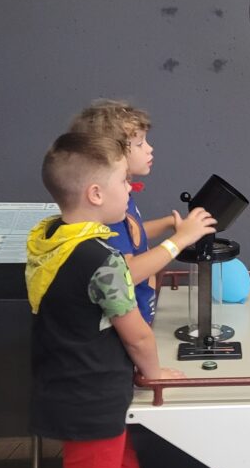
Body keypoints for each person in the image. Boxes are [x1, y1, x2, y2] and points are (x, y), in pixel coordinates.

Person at [25, 132, 194, 468]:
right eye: (124, 181)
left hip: (67, 391)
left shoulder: (48, 238)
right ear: (96, 193)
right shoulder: (100, 258)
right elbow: (136, 332)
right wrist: (156, 373)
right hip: (93, 400)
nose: (130, 190)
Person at [69, 99, 214, 324]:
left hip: (142, 312)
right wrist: (180, 240)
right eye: (139, 144)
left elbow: (131, 235)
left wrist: (169, 223)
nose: (149, 148)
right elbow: (126, 274)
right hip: (127, 325)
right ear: (109, 154)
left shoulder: (120, 197)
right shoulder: (108, 209)